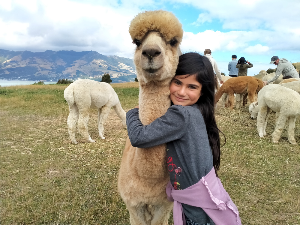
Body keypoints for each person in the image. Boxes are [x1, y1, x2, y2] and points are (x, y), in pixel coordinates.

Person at [126, 53, 242, 225]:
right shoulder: (198, 111)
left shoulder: (181, 115)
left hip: (198, 208)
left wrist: (132, 113)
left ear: (203, 91)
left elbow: (138, 137)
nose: (181, 92)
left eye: (192, 87)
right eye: (178, 82)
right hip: (208, 196)